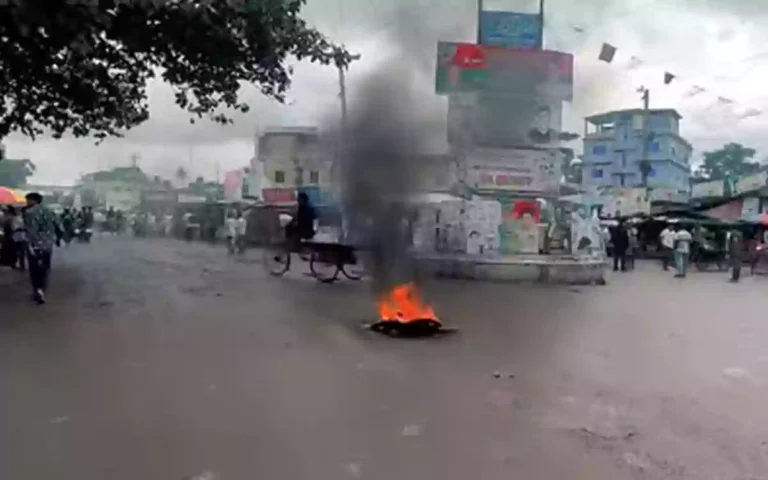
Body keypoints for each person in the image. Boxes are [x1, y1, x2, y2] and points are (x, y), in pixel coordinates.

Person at [22, 192, 61, 304]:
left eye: (28, 200)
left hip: (34, 245)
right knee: (45, 268)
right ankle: (42, 289)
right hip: (47, 245)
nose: (27, 202)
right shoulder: (50, 211)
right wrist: (57, 239)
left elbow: (31, 230)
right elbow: (58, 225)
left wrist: (28, 243)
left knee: (34, 269)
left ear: (34, 200)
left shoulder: (29, 212)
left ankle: (37, 290)